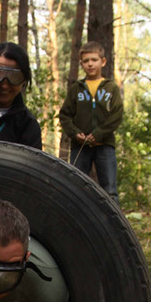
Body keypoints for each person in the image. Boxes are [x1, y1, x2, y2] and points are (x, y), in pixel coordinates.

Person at [59, 41, 124, 201]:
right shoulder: (76, 88)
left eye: (94, 60)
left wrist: (99, 134)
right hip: (80, 146)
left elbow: (117, 114)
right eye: (86, 61)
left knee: (109, 189)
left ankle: (112, 225)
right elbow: (65, 115)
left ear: (103, 61)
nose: (90, 64)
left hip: (105, 145)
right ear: (81, 64)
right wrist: (75, 134)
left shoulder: (111, 88)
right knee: (75, 186)